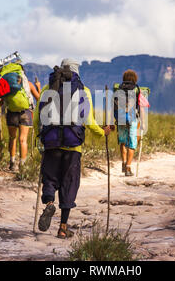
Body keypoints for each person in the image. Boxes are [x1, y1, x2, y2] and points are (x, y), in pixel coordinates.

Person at [34, 58, 111, 239]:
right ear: (77, 71)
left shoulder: (47, 89)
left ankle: (49, 203)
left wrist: (39, 142)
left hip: (51, 143)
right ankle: (62, 228)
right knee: (69, 185)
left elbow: (38, 118)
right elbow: (89, 121)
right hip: (73, 146)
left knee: (50, 179)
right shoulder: (83, 91)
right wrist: (102, 132)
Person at [0, 63, 41, 172]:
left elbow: (1, 100)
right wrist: (38, 87)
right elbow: (39, 98)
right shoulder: (29, 84)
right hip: (26, 112)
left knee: (12, 138)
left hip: (11, 112)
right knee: (23, 140)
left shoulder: (9, 85)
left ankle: (12, 164)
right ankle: (22, 166)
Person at [115, 69, 141, 177]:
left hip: (120, 118)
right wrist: (143, 122)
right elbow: (141, 106)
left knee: (123, 141)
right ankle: (128, 168)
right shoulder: (137, 89)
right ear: (134, 78)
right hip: (132, 119)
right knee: (132, 143)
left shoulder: (118, 89)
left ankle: (123, 162)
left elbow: (113, 106)